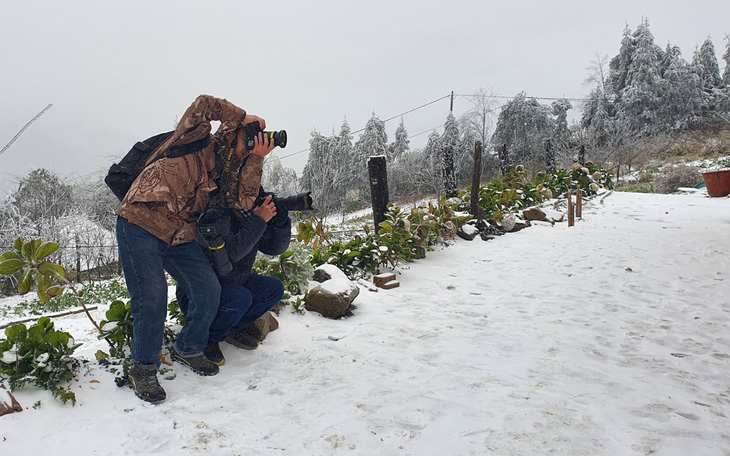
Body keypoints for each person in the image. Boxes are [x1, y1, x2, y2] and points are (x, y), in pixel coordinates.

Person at [115, 95, 277, 404]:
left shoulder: (229, 172)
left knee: (208, 288)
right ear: (234, 131)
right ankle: (143, 366)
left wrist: (257, 158)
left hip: (179, 236)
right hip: (139, 222)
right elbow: (203, 103)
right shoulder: (196, 136)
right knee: (152, 296)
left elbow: (242, 203)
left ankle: (189, 346)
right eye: (249, 137)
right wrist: (242, 116)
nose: (251, 143)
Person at [177, 186, 292, 366]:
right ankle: (210, 337)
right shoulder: (214, 215)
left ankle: (229, 328)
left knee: (274, 288)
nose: (253, 200)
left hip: (234, 282)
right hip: (201, 294)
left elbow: (274, 249)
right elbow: (230, 254)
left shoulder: (249, 216)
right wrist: (258, 221)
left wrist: (281, 223)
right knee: (240, 297)